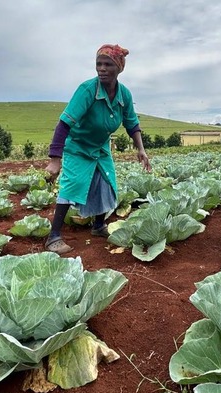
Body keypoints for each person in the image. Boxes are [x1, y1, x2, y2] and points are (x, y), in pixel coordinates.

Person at [44, 43, 151, 255]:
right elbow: (64, 123)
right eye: (98, 64)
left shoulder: (124, 95)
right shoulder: (87, 90)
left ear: (119, 68)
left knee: (107, 181)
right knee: (72, 184)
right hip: (78, 145)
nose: (102, 68)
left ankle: (98, 226)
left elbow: (132, 124)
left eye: (108, 64)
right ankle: (53, 236)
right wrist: (55, 159)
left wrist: (141, 149)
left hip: (101, 146)